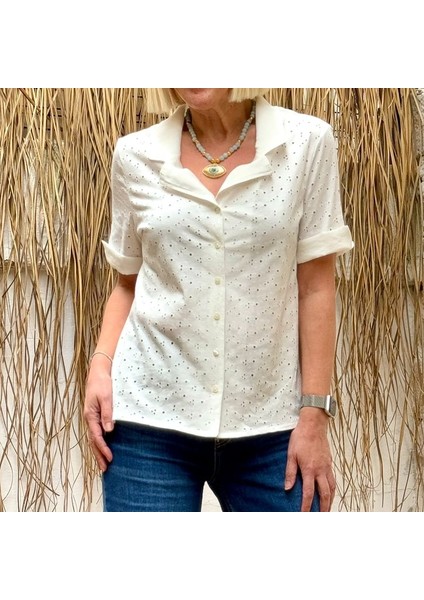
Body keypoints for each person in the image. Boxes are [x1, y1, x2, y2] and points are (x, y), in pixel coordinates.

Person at [84, 88, 353, 512]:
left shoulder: (306, 143)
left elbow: (316, 286)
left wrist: (315, 413)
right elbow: (127, 283)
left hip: (272, 425)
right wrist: (100, 365)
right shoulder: (134, 155)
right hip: (147, 422)